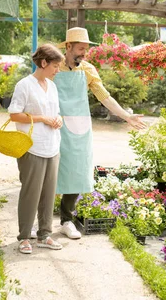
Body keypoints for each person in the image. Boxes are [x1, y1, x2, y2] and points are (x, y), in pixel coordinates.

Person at [54, 27, 147, 239]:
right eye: (79, 49)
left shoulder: (87, 70)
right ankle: (40, 222)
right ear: (68, 47)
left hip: (79, 127)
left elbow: (104, 97)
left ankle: (67, 220)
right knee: (49, 171)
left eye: (85, 49)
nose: (83, 53)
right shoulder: (54, 66)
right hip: (54, 124)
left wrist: (126, 116)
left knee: (76, 171)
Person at [8, 44, 65, 254]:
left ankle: (45, 235)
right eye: (55, 66)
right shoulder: (24, 85)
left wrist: (58, 119)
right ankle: (24, 237)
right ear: (43, 63)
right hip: (31, 147)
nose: (57, 70)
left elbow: (56, 112)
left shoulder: (52, 86)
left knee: (49, 194)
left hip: (52, 146)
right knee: (30, 194)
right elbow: (14, 114)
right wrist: (42, 118)